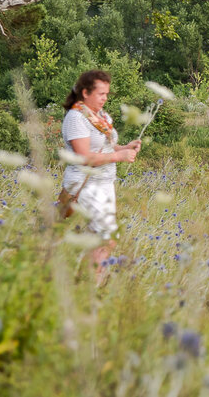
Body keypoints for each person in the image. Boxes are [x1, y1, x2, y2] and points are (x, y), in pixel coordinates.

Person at [60, 70, 141, 279]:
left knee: (99, 237)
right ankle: (90, 284)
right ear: (85, 92)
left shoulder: (103, 117)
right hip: (84, 184)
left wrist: (126, 147)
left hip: (105, 183)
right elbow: (84, 157)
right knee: (107, 237)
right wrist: (120, 157)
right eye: (101, 94)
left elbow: (109, 147)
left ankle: (85, 282)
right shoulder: (76, 117)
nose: (105, 98)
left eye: (106, 94)